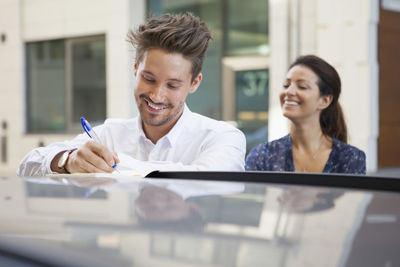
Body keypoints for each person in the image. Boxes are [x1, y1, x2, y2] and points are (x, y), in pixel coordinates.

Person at [18, 13, 246, 176]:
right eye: (149, 79)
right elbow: (27, 165)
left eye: (173, 85)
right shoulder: (109, 134)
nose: (157, 95)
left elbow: (213, 179)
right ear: (135, 69)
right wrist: (68, 160)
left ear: (194, 83)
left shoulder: (222, 137)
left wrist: (121, 167)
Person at [245, 55, 366, 174]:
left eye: (302, 86)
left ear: (325, 101)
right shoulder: (262, 156)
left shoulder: (351, 158)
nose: (289, 91)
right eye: (286, 85)